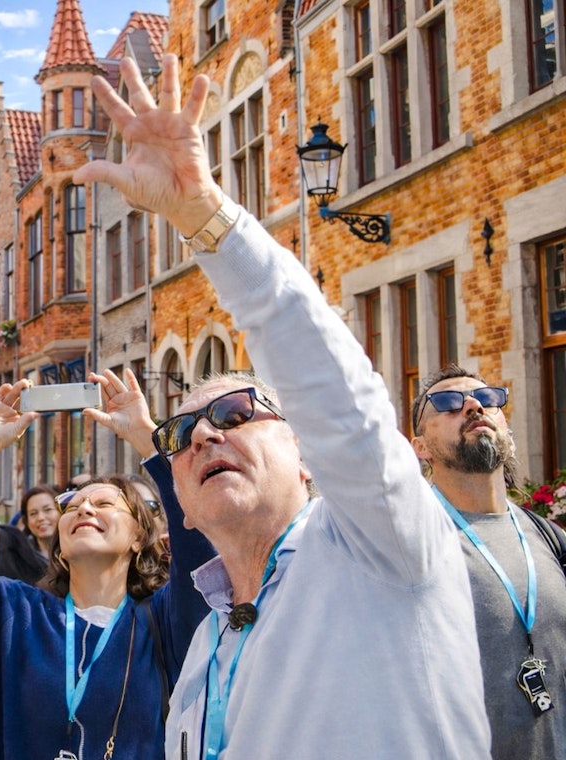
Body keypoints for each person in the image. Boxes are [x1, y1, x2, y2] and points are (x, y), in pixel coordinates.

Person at [73, 54, 489, 757]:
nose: (203, 433)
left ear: (306, 451)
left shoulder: (377, 543)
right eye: (180, 430)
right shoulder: (206, 643)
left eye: (237, 411)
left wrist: (205, 219)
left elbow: (334, 390)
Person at [0, 368, 214, 760]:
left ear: (139, 537)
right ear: (61, 547)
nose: (83, 505)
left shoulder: (165, 619)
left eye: (103, 504)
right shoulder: (13, 613)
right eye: (73, 504)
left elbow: (201, 539)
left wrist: (147, 440)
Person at [410, 366, 566, 757]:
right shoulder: (407, 544)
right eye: (447, 403)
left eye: (490, 398)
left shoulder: (550, 538)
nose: (475, 406)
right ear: (420, 447)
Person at [19, 484, 60, 563]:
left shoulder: (75, 551)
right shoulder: (20, 557)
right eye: (33, 513)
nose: (40, 518)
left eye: (48, 510)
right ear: (26, 520)